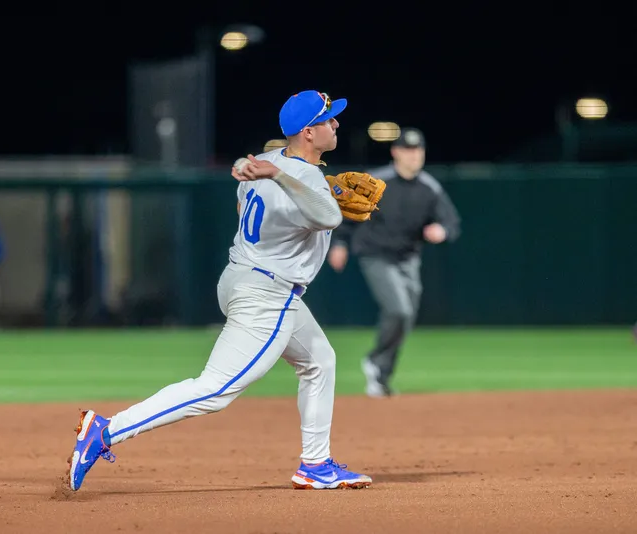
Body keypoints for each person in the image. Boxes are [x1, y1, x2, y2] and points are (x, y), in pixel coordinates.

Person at [67, 90, 372, 492]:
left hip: (241, 277)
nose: (336, 124)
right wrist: (297, 184)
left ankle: (315, 464)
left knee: (320, 361)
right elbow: (330, 214)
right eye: (328, 119)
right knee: (216, 389)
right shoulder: (290, 173)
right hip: (267, 295)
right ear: (308, 133)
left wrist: (275, 176)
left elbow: (259, 188)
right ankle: (105, 432)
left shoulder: (264, 162)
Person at [327, 128, 461, 397]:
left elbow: (452, 222)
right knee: (399, 310)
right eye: (408, 150)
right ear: (395, 152)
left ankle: (380, 375)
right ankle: (376, 360)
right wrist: (339, 243)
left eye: (418, 150)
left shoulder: (429, 188)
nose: (414, 155)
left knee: (406, 317)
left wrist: (442, 231)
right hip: (376, 255)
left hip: (408, 259)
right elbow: (349, 213)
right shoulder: (377, 182)